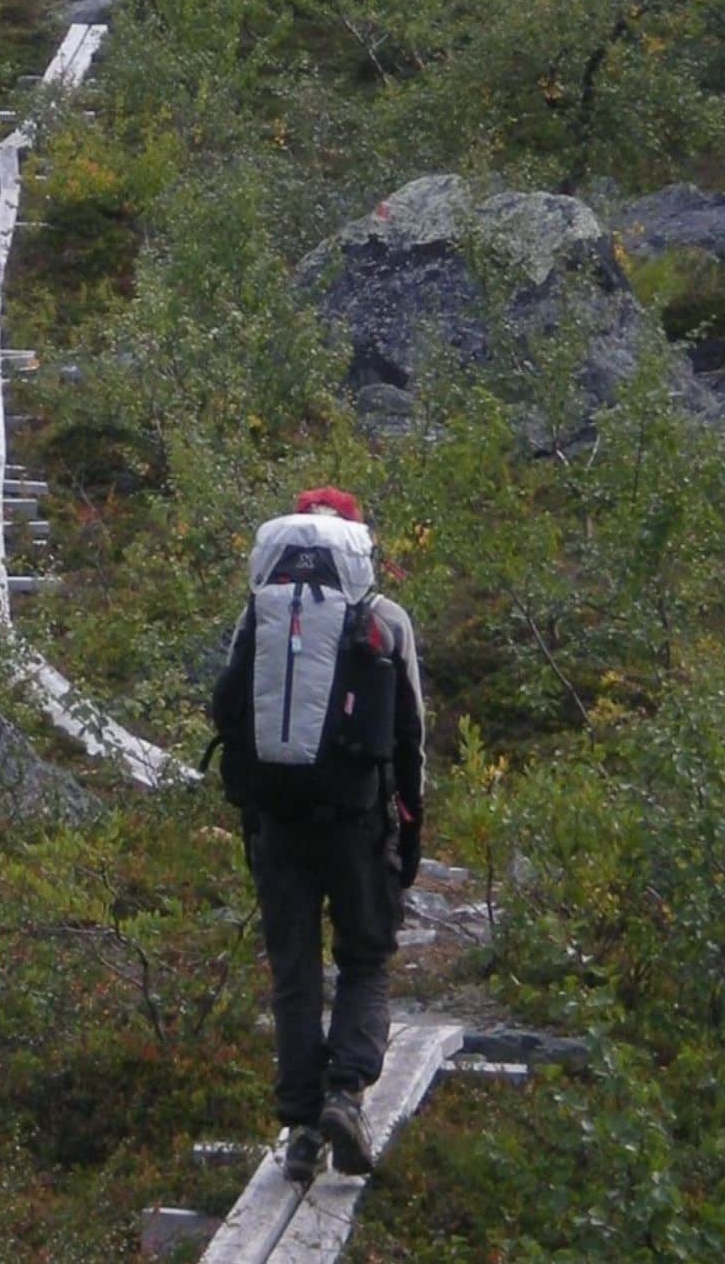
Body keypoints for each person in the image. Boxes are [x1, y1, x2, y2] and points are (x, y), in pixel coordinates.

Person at [210, 486, 426, 1185]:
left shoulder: (260, 616)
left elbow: (232, 713)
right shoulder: (384, 619)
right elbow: (411, 735)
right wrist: (411, 827)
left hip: (277, 820)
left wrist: (250, 814)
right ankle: (346, 1090)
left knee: (294, 972)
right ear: (359, 543)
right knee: (366, 955)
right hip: (356, 820)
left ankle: (301, 1126)